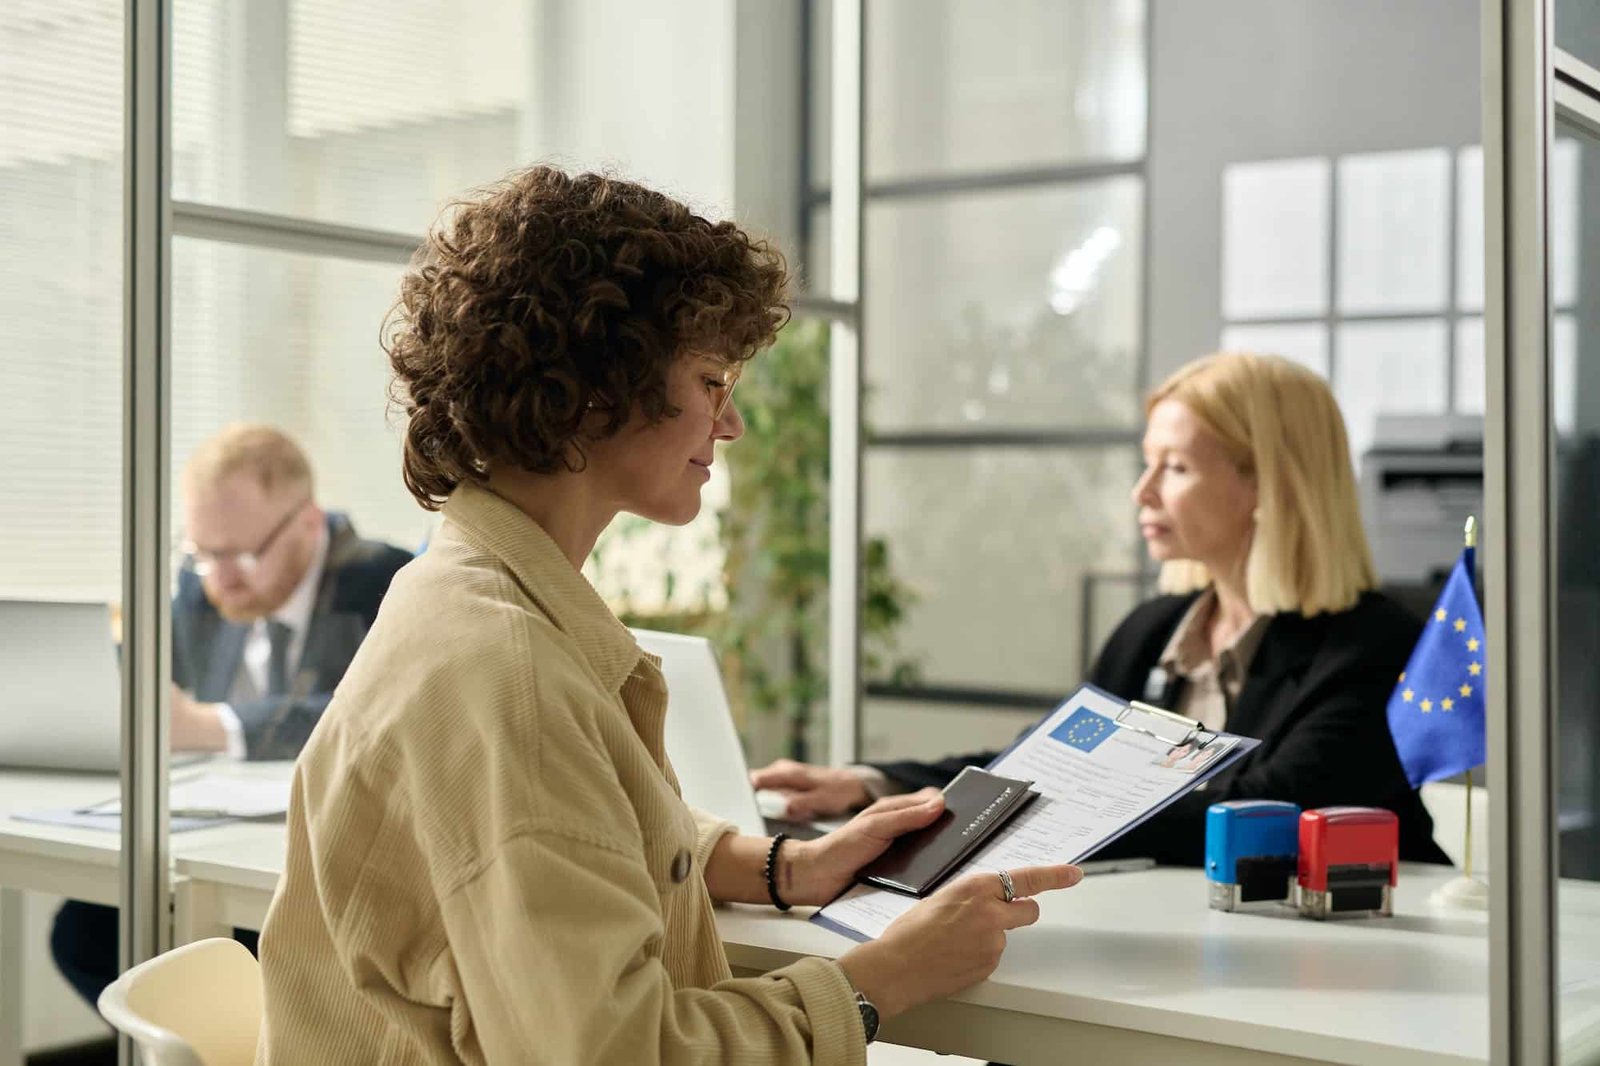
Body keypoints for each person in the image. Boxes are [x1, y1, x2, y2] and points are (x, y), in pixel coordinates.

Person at [253, 166, 1082, 1064]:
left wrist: (783, 867)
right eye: (712, 380)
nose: (730, 427)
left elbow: (561, 831)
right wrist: (886, 978)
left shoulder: (463, 592)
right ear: (597, 388)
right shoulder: (510, 675)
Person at [752, 353, 1450, 867]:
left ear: (1268, 483)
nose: (1142, 493)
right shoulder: (1155, 632)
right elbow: (1051, 761)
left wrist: (1024, 806)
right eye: (1148, 464)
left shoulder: (1375, 647)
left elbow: (1256, 812)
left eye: (1175, 468)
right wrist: (874, 784)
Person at [51, 424, 413, 1012]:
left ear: (307, 523)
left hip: (320, 866)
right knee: (85, 934)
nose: (221, 577)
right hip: (220, 839)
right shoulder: (205, 586)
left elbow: (372, 711)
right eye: (202, 553)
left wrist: (213, 726)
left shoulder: (385, 583)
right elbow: (132, 674)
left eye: (241, 553)